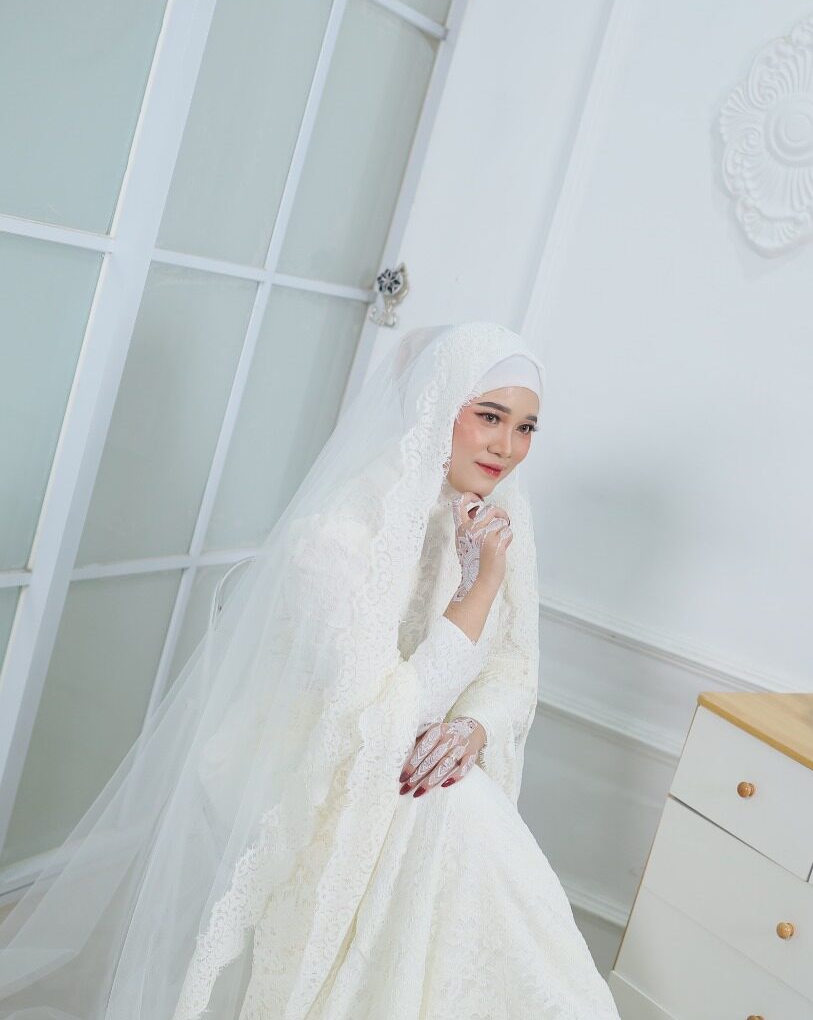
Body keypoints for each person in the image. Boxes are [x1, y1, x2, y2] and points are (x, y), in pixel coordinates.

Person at [0, 321, 620, 1019]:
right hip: (307, 757)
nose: (507, 447)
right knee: (457, 814)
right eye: (489, 416)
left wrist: (472, 728)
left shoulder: (495, 521)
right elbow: (380, 718)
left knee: (458, 807)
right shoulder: (336, 534)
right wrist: (478, 588)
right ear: (438, 402)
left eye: (526, 427)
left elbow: (512, 667)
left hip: (412, 762)